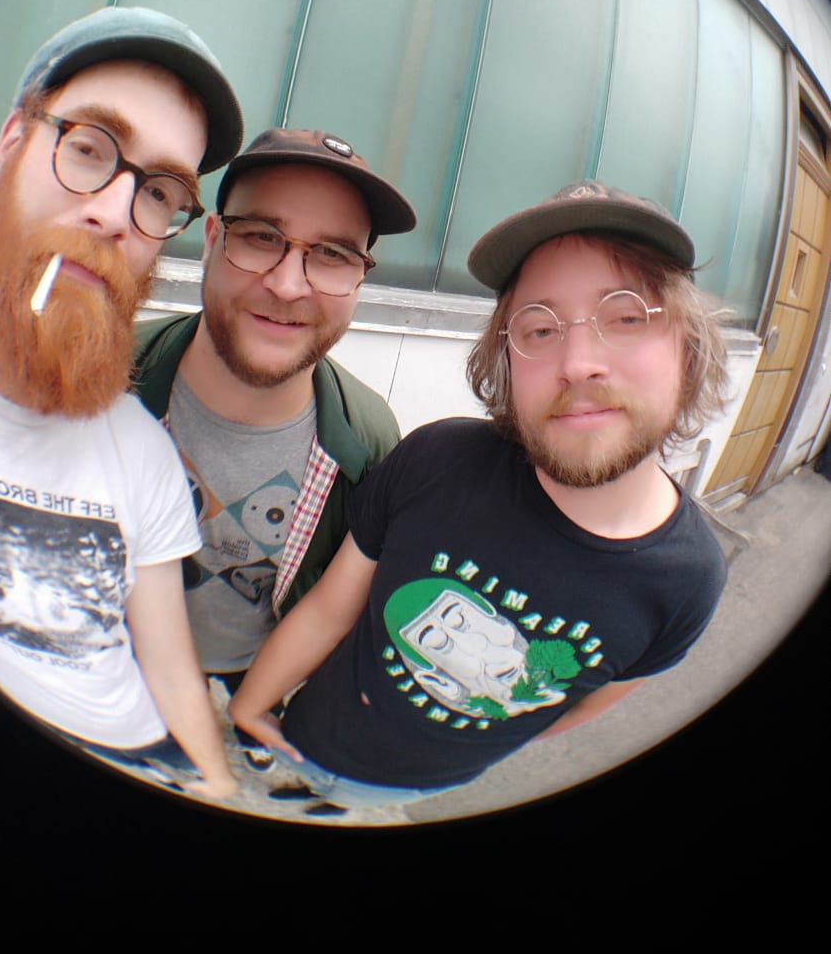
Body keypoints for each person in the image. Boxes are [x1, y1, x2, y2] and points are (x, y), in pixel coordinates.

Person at [228, 180, 732, 812]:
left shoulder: (689, 583)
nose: (577, 362)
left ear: (688, 346)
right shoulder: (437, 462)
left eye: (626, 316)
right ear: (506, 360)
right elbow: (330, 609)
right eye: (539, 328)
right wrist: (250, 707)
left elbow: (575, 706)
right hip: (306, 732)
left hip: (423, 790)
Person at [0, 5, 245, 801]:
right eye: (88, 148)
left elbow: (171, 670)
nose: (112, 214)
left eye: (160, 191)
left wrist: (217, 784)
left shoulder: (142, 452)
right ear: (10, 146)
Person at [132, 128, 416, 766]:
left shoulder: (368, 440)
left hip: (256, 674)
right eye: (261, 237)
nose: (289, 285)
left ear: (360, 278)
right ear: (211, 240)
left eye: (333, 254)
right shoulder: (105, 377)